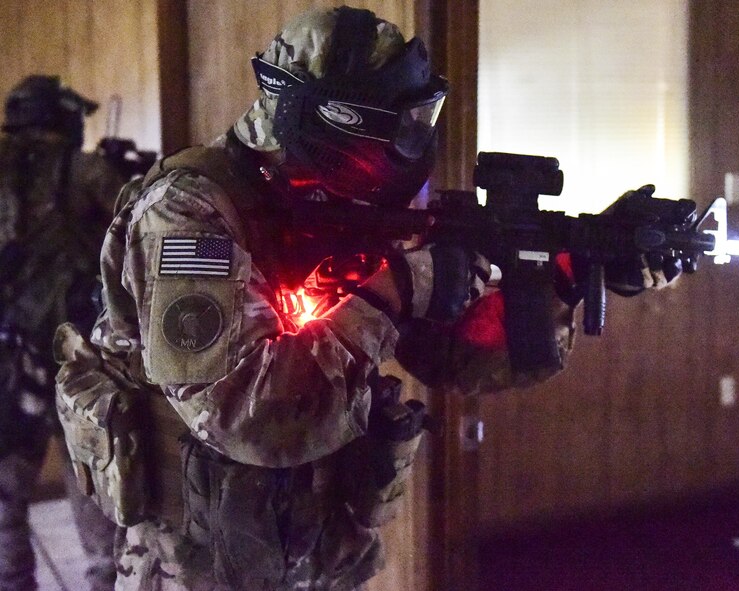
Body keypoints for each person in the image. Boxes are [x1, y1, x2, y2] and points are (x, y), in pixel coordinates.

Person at [54, 6, 680, 590]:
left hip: (324, 548)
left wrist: (567, 274)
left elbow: (451, 355)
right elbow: (248, 415)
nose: (407, 149)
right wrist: (400, 287)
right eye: (394, 126)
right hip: (196, 562)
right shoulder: (188, 211)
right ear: (328, 120)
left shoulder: (345, 206)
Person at [0, 75, 124, 591]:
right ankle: (103, 580)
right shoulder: (84, 169)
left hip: (6, 351)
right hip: (72, 350)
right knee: (89, 476)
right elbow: (135, 224)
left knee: (5, 487)